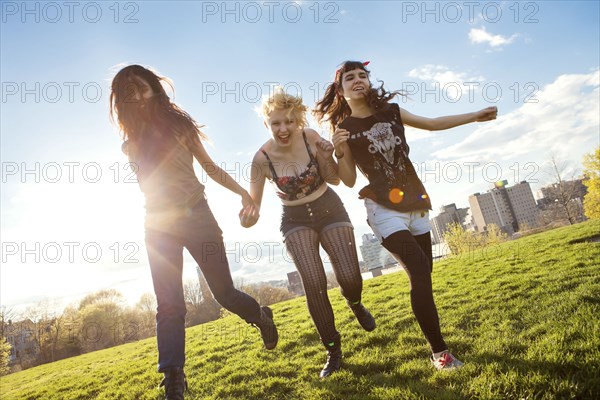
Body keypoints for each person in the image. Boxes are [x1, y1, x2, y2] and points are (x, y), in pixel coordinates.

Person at [313, 60, 498, 370]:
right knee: (419, 267)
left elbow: (432, 123)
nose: (358, 80)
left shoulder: (393, 112)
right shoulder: (343, 129)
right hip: (383, 209)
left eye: (363, 75)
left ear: (369, 82)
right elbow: (348, 180)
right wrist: (339, 151)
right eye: (350, 78)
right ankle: (440, 353)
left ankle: (438, 347)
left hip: (415, 203)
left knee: (423, 276)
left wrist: (473, 116)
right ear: (341, 90)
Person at [109, 65, 278, 399]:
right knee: (169, 305)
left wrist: (243, 193)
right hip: (158, 226)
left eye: (143, 89)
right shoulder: (130, 145)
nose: (139, 98)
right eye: (130, 94)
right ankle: (173, 378)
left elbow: (210, 168)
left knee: (224, 294)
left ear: (155, 89)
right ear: (123, 102)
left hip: (197, 217)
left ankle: (261, 316)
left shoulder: (180, 126)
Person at [239, 87, 375, 378]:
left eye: (289, 121)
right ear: (267, 124)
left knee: (350, 276)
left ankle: (355, 302)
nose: (283, 128)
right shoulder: (260, 159)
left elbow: (337, 180)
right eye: (276, 123)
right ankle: (332, 350)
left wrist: (328, 156)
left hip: (330, 208)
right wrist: (247, 218)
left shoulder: (310, 137)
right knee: (314, 282)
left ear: (298, 121)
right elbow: (254, 209)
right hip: (295, 218)